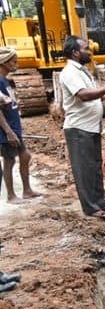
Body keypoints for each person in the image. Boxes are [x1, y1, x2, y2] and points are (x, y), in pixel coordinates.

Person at [59, 36, 105, 219]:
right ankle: (91, 208)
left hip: (91, 127)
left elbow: (88, 93)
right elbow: (82, 95)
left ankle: (101, 203)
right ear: (75, 52)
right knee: (84, 170)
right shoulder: (69, 72)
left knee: (95, 167)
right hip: (78, 129)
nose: (89, 51)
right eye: (85, 48)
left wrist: (102, 97)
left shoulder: (82, 70)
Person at [0, 47, 42, 204]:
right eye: (13, 60)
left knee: (25, 156)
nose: (16, 63)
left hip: (14, 126)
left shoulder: (7, 81)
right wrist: (8, 131)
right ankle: (11, 196)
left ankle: (27, 190)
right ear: (3, 62)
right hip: (6, 129)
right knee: (9, 160)